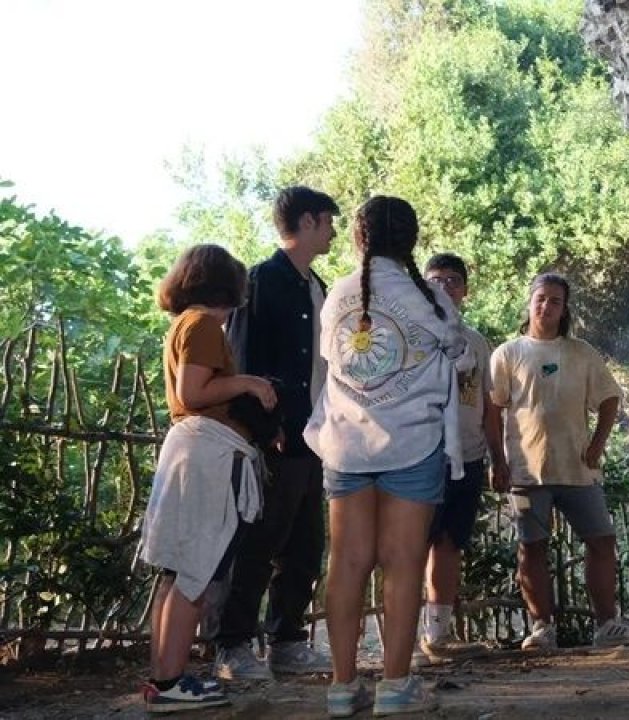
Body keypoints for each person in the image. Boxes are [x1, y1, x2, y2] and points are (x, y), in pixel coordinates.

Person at [305, 195, 468, 717]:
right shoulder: (433, 300)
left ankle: (341, 685)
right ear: (411, 241)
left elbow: (333, 361)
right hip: (411, 445)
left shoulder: (336, 299)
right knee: (403, 563)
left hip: (347, 446)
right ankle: (396, 685)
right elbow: (458, 350)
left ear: (360, 238)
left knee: (347, 564)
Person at [140, 244, 277, 713]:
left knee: (180, 570)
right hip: (206, 451)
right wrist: (249, 384)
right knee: (197, 570)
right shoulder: (200, 324)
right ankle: (172, 679)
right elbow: (193, 391)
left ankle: (163, 677)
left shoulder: (186, 324)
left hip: (193, 448)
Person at [489, 273, 629, 650]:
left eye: (555, 301)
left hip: (577, 468)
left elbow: (610, 398)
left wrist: (598, 444)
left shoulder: (581, 353)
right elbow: (493, 409)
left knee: (601, 540)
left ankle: (606, 624)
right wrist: (497, 460)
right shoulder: (508, 353)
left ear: (565, 309)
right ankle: (542, 628)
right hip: (525, 470)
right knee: (531, 546)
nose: (546, 306)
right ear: (529, 301)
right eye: (541, 298)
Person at [213, 186, 339, 679]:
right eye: (328, 221)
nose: (332, 231)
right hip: (275, 437)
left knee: (306, 544)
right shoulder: (262, 281)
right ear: (306, 222)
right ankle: (233, 646)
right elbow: (242, 360)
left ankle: (286, 642)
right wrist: (267, 430)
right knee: (257, 543)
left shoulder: (318, 286)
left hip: (314, 435)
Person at [416, 253, 508, 660]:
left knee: (450, 542)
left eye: (453, 280)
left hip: (468, 454)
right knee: (412, 544)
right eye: (435, 280)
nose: (445, 288)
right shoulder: (414, 333)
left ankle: (438, 634)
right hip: (422, 453)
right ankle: (403, 638)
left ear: (466, 290)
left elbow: (489, 408)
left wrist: (498, 459)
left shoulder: (477, 342)